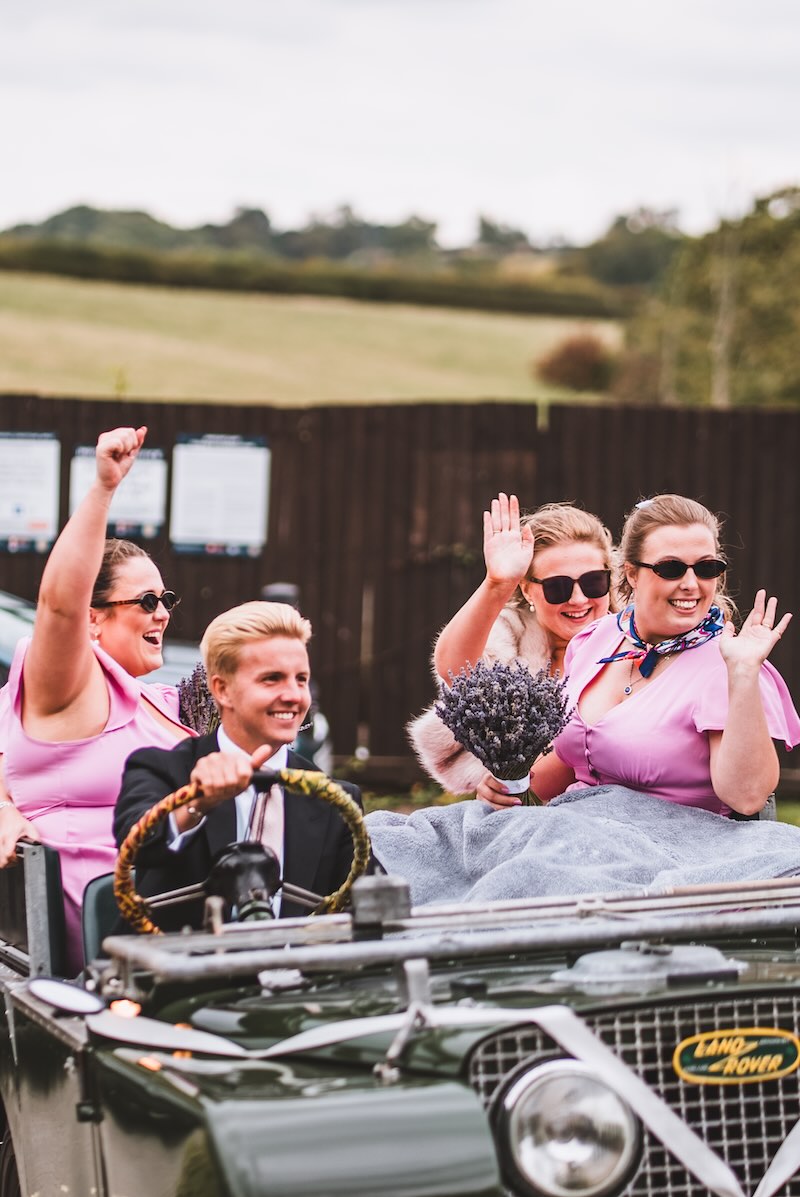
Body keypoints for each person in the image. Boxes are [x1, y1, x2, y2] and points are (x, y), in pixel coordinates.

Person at [0, 426, 192, 973]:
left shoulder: (165, 699)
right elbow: (59, 606)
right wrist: (104, 488)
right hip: (110, 951)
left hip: (192, 910)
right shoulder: (67, 692)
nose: (163, 613)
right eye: (146, 601)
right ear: (93, 618)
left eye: (166, 598)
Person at [479, 494, 800, 815]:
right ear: (631, 573)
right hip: (578, 828)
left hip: (674, 839)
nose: (691, 584)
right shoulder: (595, 639)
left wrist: (743, 674)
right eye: (671, 568)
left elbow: (747, 798)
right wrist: (511, 787)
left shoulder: (727, 666)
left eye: (706, 568)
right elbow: (574, 760)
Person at [114, 601, 366, 929]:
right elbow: (134, 844)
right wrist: (197, 803)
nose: (294, 696)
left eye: (301, 679)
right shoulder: (162, 768)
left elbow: (368, 908)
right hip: (171, 959)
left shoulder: (335, 800)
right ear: (222, 690)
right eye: (272, 679)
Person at [407, 492, 615, 794]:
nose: (578, 598)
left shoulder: (636, 643)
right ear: (528, 590)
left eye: (593, 581)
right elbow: (456, 670)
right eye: (557, 587)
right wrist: (497, 583)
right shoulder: (513, 633)